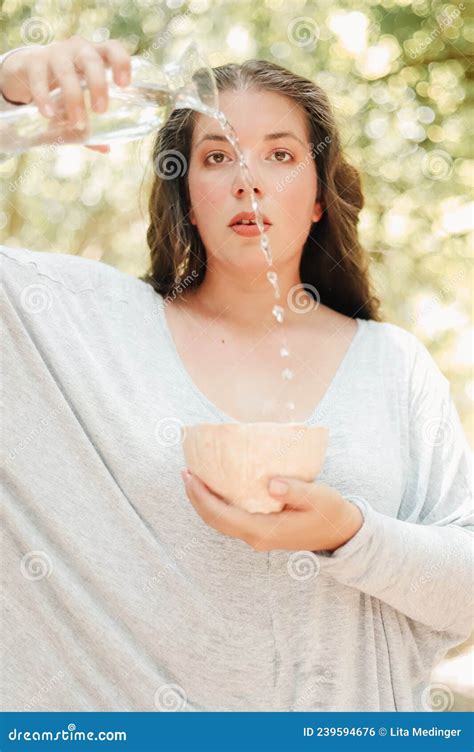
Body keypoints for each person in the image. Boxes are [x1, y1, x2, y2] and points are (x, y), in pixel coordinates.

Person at [0, 36, 472, 713]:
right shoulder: (77, 323)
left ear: (317, 196)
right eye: (217, 157)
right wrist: (9, 96)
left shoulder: (392, 367)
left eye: (280, 154)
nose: (247, 178)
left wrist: (347, 533)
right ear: (187, 197)